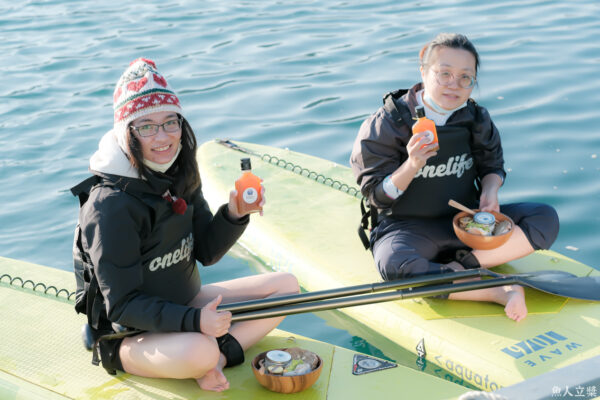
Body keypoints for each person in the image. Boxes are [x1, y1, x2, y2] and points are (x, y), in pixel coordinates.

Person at [71, 58, 299, 392]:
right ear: (126, 132)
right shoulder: (110, 205)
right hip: (130, 332)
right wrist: (197, 322)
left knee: (286, 288)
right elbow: (122, 304)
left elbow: (205, 251)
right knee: (200, 349)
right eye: (146, 126)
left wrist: (234, 212)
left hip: (185, 304)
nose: (162, 137)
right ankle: (193, 356)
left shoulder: (178, 172)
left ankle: (216, 359)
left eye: (170, 122)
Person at [350, 33, 559, 322]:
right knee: (394, 265)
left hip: (467, 224)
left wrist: (490, 190)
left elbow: (492, 165)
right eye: (444, 73)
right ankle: (498, 291)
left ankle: (464, 267)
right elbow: (375, 194)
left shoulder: (476, 117)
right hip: (408, 229)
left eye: (465, 77)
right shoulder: (388, 122)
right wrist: (412, 164)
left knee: (544, 217)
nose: (454, 85)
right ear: (423, 71)